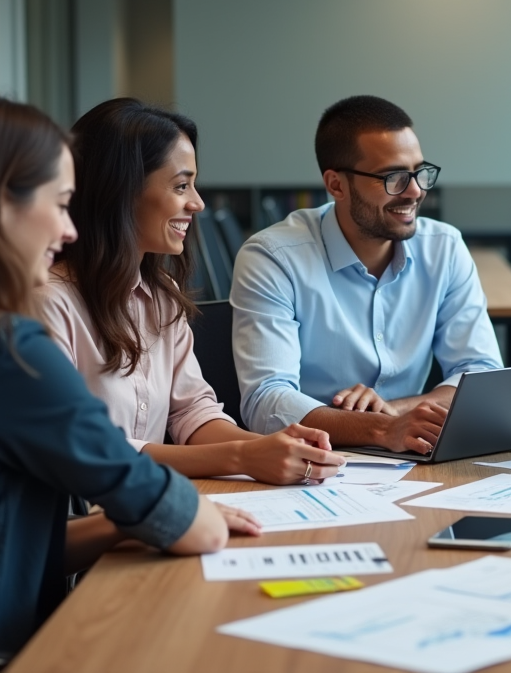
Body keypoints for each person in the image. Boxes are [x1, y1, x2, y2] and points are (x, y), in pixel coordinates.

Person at [0, 92, 257, 653]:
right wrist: (173, 510)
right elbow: (192, 526)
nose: (70, 229)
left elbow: (7, 543)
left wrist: (129, 521)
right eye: (60, 204)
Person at [37, 98, 343, 485]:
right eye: (182, 185)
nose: (197, 203)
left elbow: (191, 413)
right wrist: (244, 456)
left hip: (147, 507)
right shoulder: (48, 303)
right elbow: (81, 448)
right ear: (120, 191)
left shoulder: (162, 297)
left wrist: (275, 450)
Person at [231, 95, 503, 452]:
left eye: (419, 172)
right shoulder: (273, 257)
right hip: (313, 460)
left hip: (414, 453)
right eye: (393, 177)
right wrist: (380, 429)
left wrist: (396, 413)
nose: (415, 191)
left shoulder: (444, 247)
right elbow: (265, 402)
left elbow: (482, 374)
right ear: (336, 185)